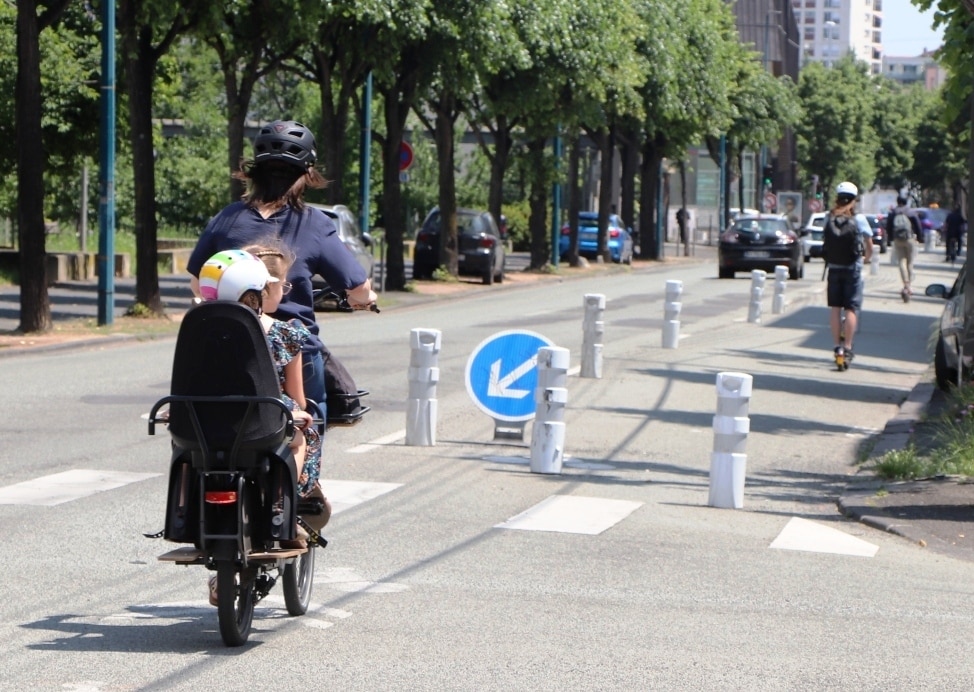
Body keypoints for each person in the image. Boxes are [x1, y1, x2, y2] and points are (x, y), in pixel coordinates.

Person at [187, 119, 377, 408]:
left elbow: (198, 283)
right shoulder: (314, 223)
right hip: (293, 354)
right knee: (310, 418)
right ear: (307, 173)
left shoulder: (226, 218)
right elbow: (358, 287)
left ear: (255, 171)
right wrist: (365, 299)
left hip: (226, 347)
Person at [821, 182, 873, 370]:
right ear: (854, 199)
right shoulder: (858, 219)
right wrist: (866, 258)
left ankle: (837, 347)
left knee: (835, 308)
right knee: (851, 308)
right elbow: (869, 243)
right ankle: (848, 347)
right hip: (853, 268)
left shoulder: (829, 217)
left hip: (833, 268)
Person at [885, 195, 921, 301]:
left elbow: (888, 226)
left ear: (897, 202)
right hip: (909, 238)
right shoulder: (910, 212)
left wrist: (890, 238)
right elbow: (918, 225)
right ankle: (909, 286)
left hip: (897, 239)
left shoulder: (893, 212)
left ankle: (905, 283)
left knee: (901, 261)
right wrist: (920, 237)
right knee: (910, 262)